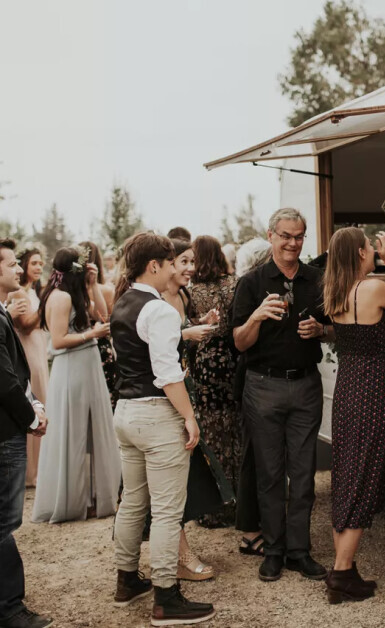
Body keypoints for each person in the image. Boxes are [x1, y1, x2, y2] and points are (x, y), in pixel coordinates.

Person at [111, 232, 214, 626]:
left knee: (134, 501)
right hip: (156, 415)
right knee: (169, 513)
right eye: (171, 263)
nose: (175, 269)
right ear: (154, 265)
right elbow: (168, 375)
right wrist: (188, 416)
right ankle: (167, 598)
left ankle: (126, 581)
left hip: (126, 412)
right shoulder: (160, 310)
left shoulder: (122, 302)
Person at [232, 208, 331, 582]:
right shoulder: (251, 283)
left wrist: (321, 329)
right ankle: (272, 550)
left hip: (306, 385)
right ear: (270, 235)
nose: (293, 243)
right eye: (286, 235)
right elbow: (240, 342)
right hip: (262, 387)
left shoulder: (317, 280)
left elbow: (337, 328)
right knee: (270, 474)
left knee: (304, 475)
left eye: (299, 236)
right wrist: (256, 316)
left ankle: (299, 552)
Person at [322, 227, 385, 603]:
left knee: (348, 472)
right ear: (361, 253)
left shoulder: (336, 291)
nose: (372, 252)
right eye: (369, 248)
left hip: (346, 387)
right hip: (372, 387)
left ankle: (344, 567)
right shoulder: (372, 288)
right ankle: (342, 575)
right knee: (367, 471)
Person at [31, 247, 121, 524]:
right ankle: (74, 501)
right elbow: (57, 341)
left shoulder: (75, 294)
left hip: (87, 364)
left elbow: (102, 315)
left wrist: (93, 287)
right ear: (73, 270)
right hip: (72, 367)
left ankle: (96, 497)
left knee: (92, 429)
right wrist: (91, 334)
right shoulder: (59, 298)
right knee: (74, 431)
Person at [161, 237, 228, 581]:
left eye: (192, 261)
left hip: (188, 389)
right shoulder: (155, 300)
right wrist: (188, 334)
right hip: (164, 396)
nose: (190, 268)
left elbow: (182, 336)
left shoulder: (183, 296)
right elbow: (160, 348)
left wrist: (201, 322)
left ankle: (171, 554)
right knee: (168, 483)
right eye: (183, 262)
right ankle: (179, 557)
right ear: (167, 263)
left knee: (183, 478)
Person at [0, 238, 52, 628]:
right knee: (3, 523)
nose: (18, 270)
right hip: (4, 434)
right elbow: (3, 378)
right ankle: (10, 609)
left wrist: (34, 402)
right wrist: (31, 417)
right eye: (10, 264)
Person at [189, 235, 239, 527]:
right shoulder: (233, 284)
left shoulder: (191, 290)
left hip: (207, 362)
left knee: (210, 430)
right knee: (234, 428)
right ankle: (238, 503)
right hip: (231, 360)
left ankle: (213, 508)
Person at [232, 238, 272, 557]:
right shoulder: (247, 291)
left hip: (264, 379)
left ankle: (265, 523)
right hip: (251, 378)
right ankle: (249, 532)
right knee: (252, 457)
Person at [10, 245, 49, 487]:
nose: (38, 267)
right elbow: (25, 325)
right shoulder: (19, 294)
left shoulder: (33, 291)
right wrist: (46, 305)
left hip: (38, 349)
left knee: (42, 400)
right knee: (33, 402)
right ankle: (30, 473)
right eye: (33, 263)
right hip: (27, 351)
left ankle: (37, 469)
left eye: (41, 264)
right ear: (23, 265)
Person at [79, 241, 117, 399]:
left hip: (98, 349)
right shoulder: (71, 291)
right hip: (82, 347)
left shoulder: (105, 290)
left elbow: (105, 318)